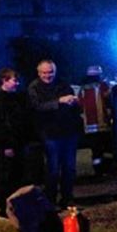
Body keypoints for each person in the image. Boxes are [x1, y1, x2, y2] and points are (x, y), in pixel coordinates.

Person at [28, 60, 83, 206]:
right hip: (50, 133)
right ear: (39, 73)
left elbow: (74, 105)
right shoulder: (34, 88)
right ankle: (50, 200)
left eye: (50, 72)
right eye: (44, 73)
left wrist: (74, 102)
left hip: (68, 131)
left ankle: (67, 198)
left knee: (69, 167)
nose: (48, 75)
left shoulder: (63, 84)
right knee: (52, 168)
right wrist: (59, 102)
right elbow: (37, 106)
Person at [0, 68, 34, 220]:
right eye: (14, 80)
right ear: (4, 80)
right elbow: (0, 125)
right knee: (8, 178)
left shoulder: (13, 97)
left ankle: (15, 206)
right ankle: (4, 209)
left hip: (17, 142)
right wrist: (6, 146)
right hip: (8, 145)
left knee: (17, 175)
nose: (17, 83)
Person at [79, 65, 112, 177]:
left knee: (95, 150)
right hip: (103, 124)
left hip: (89, 126)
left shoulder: (82, 88)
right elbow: (109, 98)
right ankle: (107, 170)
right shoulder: (102, 85)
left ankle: (98, 171)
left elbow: (79, 104)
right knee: (106, 148)